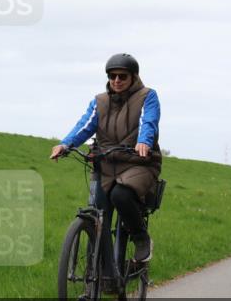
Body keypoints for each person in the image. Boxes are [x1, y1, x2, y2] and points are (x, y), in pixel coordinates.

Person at [50, 53, 162, 264]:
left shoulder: (147, 96)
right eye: (112, 76)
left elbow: (148, 121)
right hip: (105, 162)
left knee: (121, 195)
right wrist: (65, 144)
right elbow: (85, 126)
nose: (116, 80)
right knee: (98, 214)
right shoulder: (99, 101)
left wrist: (144, 141)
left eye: (122, 76)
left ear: (133, 77)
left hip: (138, 162)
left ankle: (141, 239)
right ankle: (104, 272)